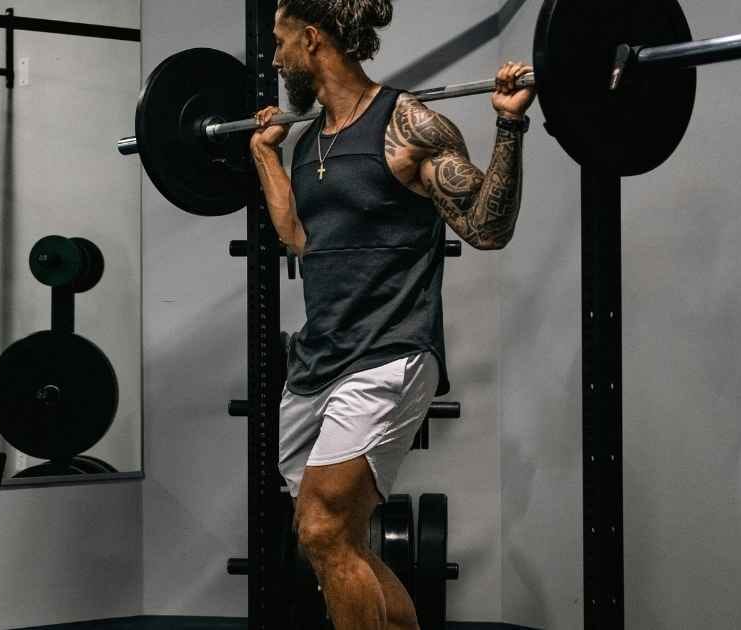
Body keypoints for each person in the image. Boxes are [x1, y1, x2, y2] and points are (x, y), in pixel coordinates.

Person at [251, 2, 534, 628]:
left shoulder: (406, 125)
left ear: (312, 38)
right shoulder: (307, 141)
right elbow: (299, 237)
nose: (275, 59)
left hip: (390, 351)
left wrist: (509, 128)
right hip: (319, 358)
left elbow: (488, 228)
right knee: (329, 537)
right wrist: (265, 156)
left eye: (279, 42)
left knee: (323, 527)